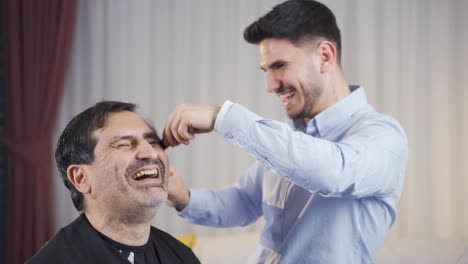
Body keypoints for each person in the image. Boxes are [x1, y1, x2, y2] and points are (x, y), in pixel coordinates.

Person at [163, 0, 408, 263]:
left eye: (279, 66)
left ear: (325, 56)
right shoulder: (285, 138)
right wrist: (183, 197)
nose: (270, 85)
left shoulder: (383, 136)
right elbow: (244, 202)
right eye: (266, 70)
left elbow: (332, 172)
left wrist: (220, 117)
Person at [28, 101, 200, 264]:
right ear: (81, 178)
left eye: (153, 142)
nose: (151, 153)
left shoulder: (181, 256)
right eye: (124, 144)